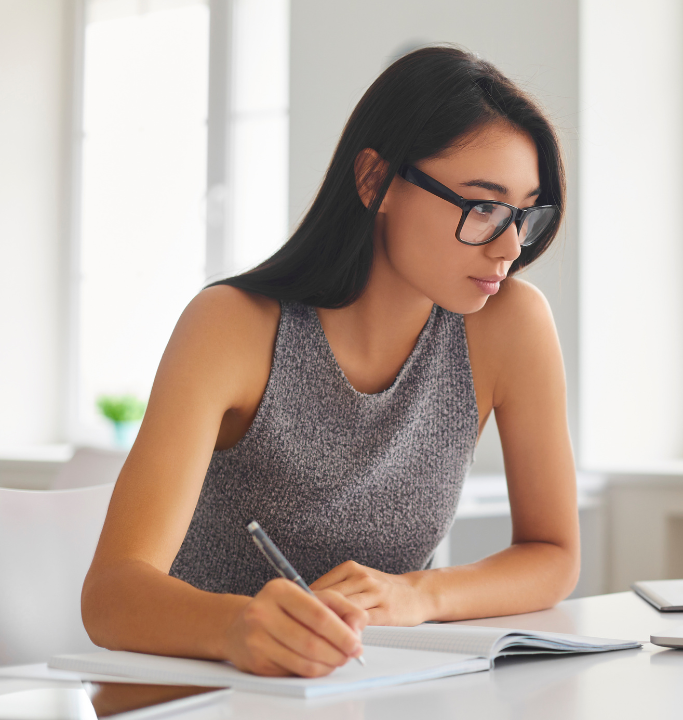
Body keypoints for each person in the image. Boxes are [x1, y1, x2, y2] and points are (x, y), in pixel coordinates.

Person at [81, 46, 579, 679]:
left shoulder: (510, 324)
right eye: (482, 207)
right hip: (199, 690)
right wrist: (237, 627)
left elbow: (553, 553)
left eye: (523, 214)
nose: (509, 246)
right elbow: (111, 596)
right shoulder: (232, 326)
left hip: (365, 685)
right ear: (375, 180)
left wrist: (417, 595)